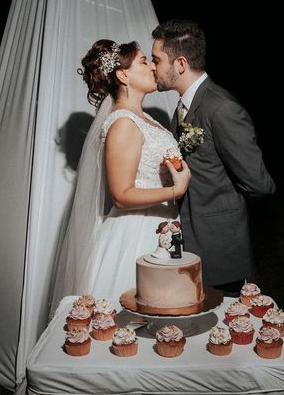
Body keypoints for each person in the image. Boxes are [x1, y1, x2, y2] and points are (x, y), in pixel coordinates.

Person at [50, 39, 191, 306]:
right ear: (123, 74)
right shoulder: (123, 123)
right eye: (143, 61)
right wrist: (176, 189)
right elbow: (121, 195)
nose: (152, 68)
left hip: (162, 227)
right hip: (136, 235)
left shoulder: (143, 119)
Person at [151, 19, 275, 297]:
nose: (152, 66)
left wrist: (225, 215)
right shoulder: (185, 106)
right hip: (189, 242)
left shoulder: (221, 109)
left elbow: (259, 184)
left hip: (218, 249)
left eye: (156, 59)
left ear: (180, 64)